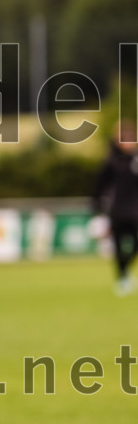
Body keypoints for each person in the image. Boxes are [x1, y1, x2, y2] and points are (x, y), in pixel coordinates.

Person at [92, 120, 138, 295]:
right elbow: (99, 186)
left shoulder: (136, 160)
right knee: (118, 246)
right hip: (117, 211)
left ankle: (125, 271)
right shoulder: (112, 162)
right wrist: (97, 208)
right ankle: (122, 278)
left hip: (135, 211)